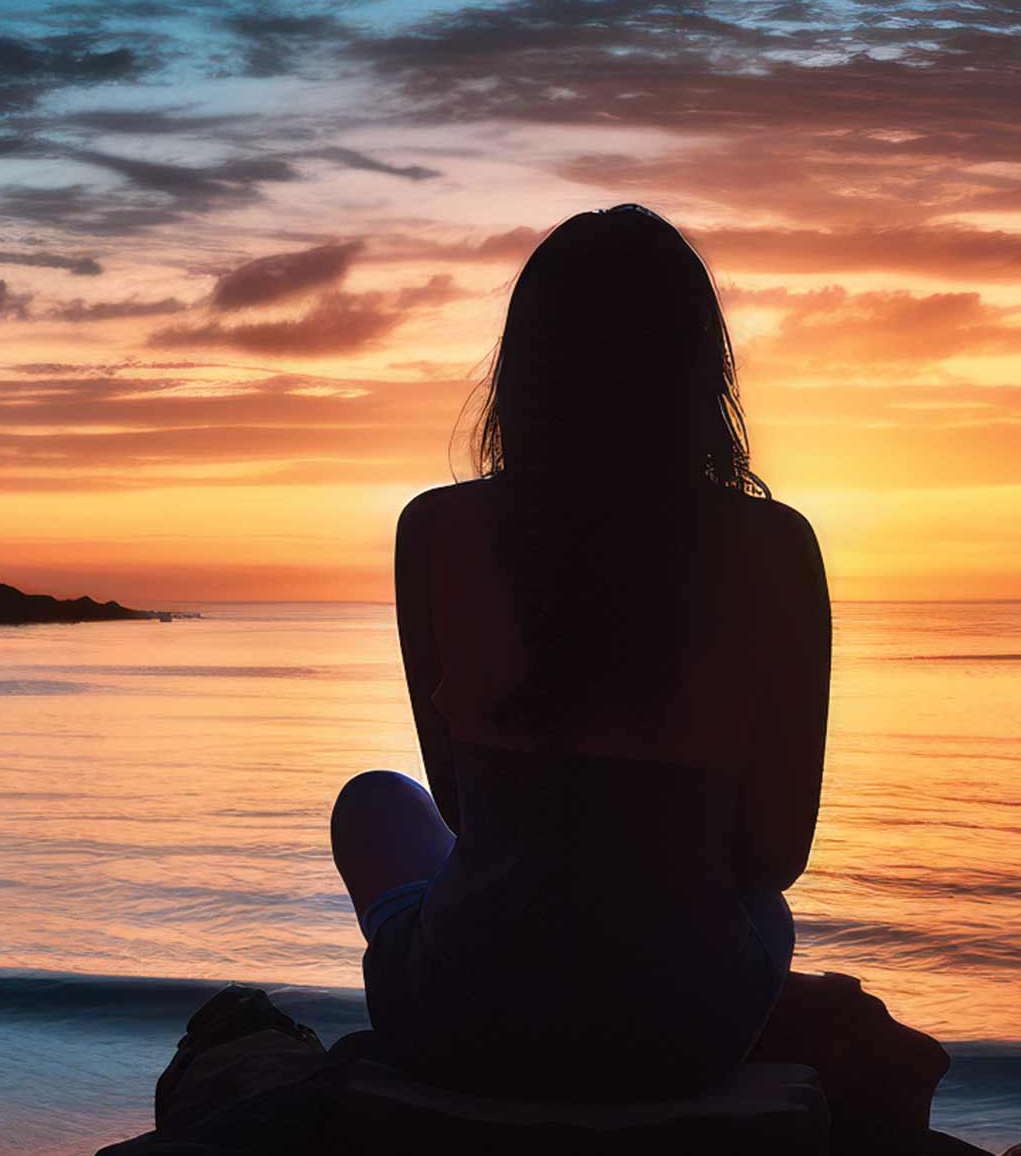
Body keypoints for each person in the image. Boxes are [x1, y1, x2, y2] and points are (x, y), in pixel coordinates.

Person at [330, 205, 830, 1100]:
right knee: (763, 909)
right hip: (685, 1027)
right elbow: (778, 854)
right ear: (697, 367)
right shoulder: (775, 546)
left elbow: (458, 804)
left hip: (464, 1014)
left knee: (374, 804)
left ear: (522, 368)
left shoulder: (435, 529)